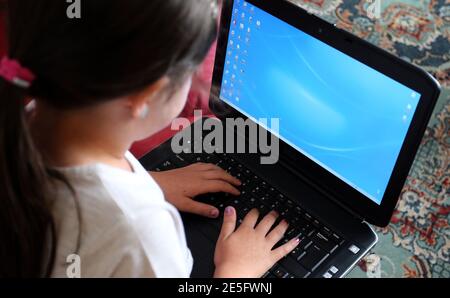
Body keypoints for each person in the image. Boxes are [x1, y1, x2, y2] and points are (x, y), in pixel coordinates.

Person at [0, 0, 300, 278]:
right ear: (147, 95)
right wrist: (236, 272)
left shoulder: (25, 118)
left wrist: (149, 182)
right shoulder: (143, 229)